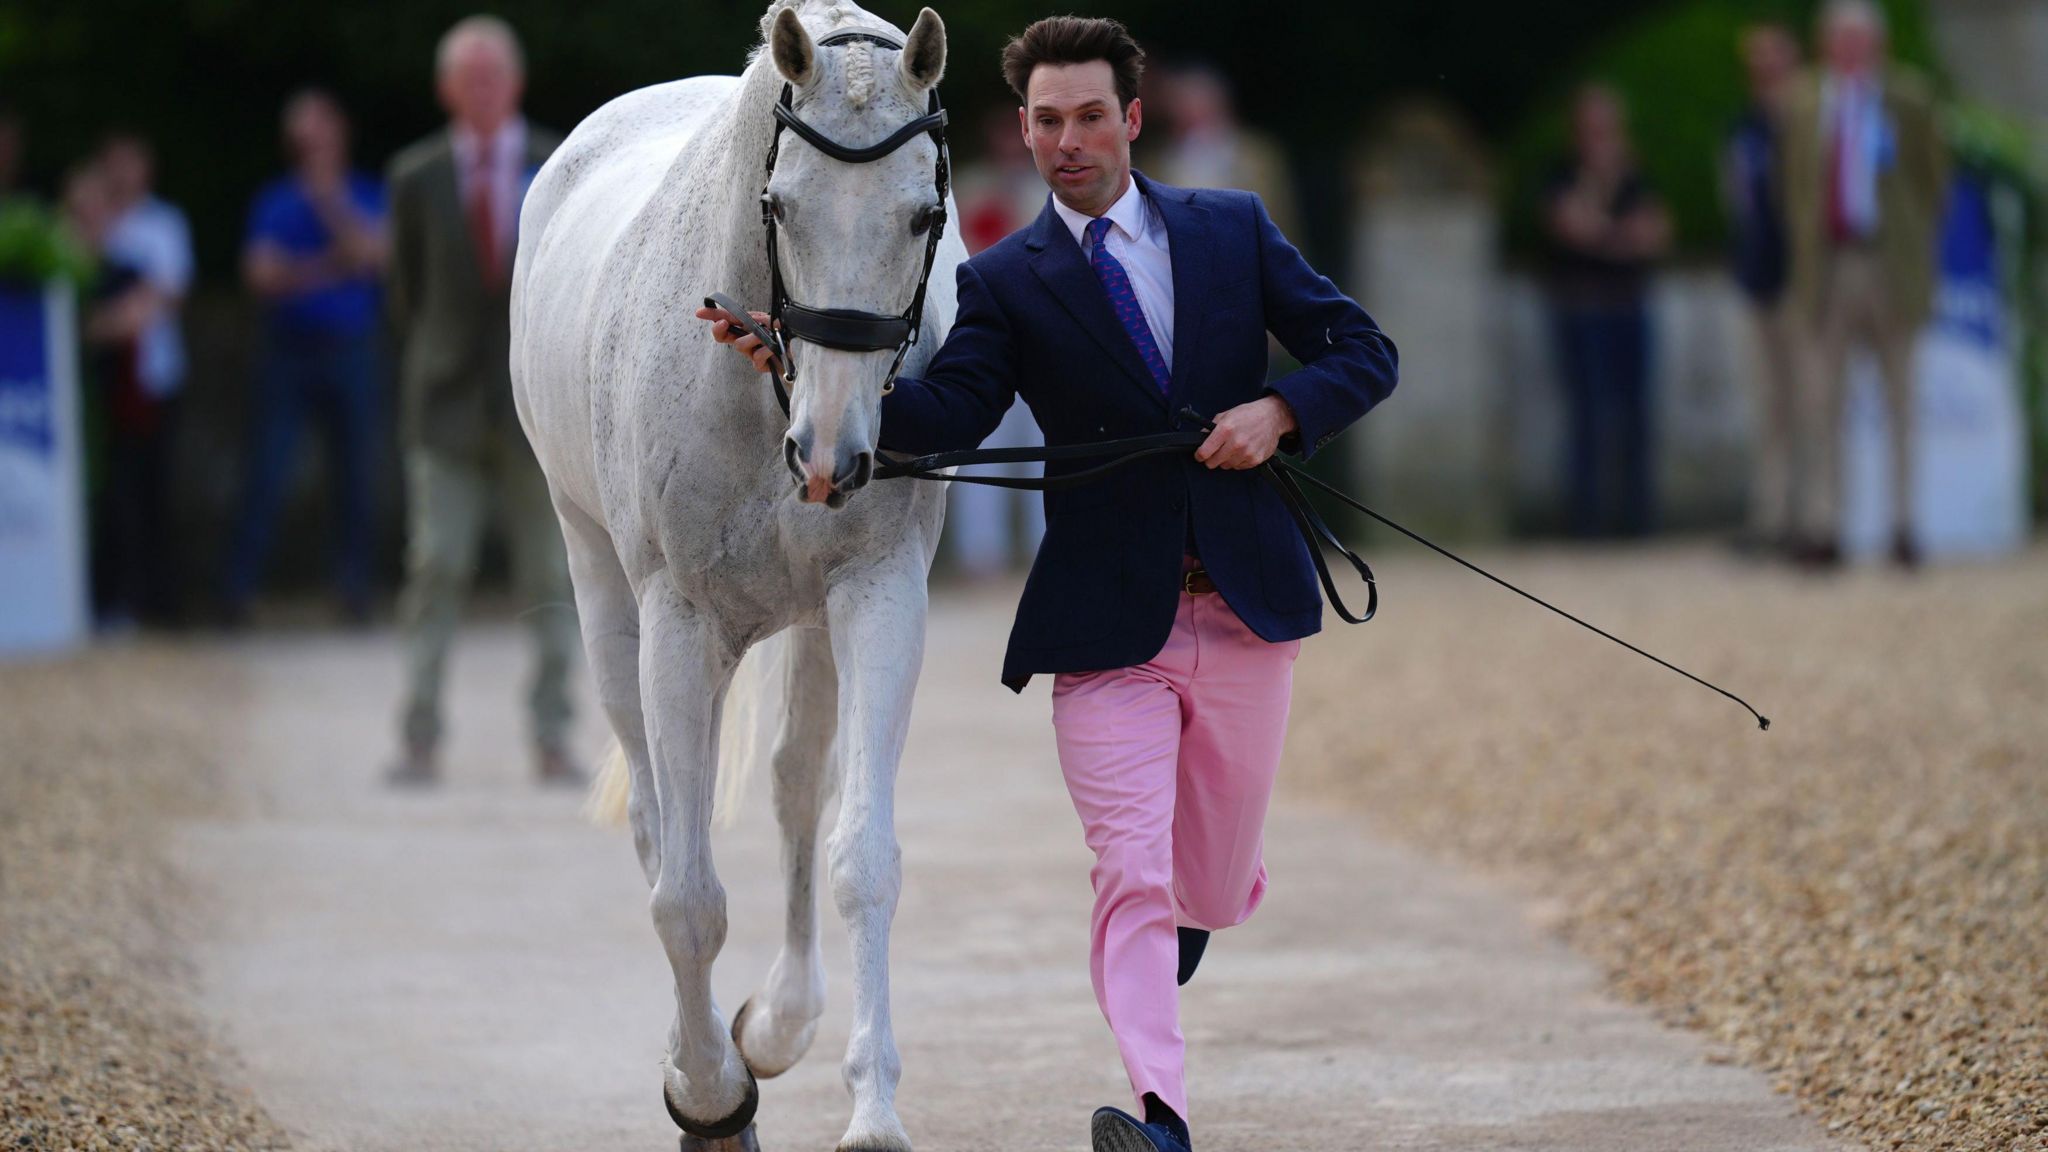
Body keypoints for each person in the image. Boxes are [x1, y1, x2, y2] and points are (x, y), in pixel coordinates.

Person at [701, 17, 1397, 1151]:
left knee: (1203, 891)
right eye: (1043, 121)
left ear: (1130, 118)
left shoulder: (1231, 229)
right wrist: (798, 367)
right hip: (1102, 624)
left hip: (1243, 609)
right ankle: (1160, 1118)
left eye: (1085, 117)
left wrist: (1278, 412)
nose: (1065, 142)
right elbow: (943, 414)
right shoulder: (1006, 280)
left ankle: (1204, 903)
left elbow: (1362, 349)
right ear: (1019, 130)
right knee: (1127, 871)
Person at [385, 16, 581, 786]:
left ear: (516, 83)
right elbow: (405, 293)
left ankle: (553, 735)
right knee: (435, 565)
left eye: (492, 77)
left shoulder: (559, 163)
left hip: (538, 405)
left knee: (551, 575)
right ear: (446, 89)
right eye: (469, 79)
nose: (483, 91)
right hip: (445, 406)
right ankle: (420, 735)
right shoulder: (416, 176)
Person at [1777, 0, 1947, 569]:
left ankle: (1904, 524)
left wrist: (1914, 243)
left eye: (1860, 40)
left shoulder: (1908, 97)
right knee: (1821, 402)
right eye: (1840, 40)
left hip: (1888, 263)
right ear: (1827, 46)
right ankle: (1826, 525)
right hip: (1829, 266)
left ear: (1878, 45)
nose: (1850, 51)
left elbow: (1933, 180)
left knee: (1902, 400)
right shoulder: (1804, 102)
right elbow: (1794, 186)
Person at [224, 89, 388, 625]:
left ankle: (353, 589)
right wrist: (332, 264)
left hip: (352, 352)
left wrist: (327, 205)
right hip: (287, 355)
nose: (310, 142)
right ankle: (237, 592)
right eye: (301, 133)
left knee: (357, 474)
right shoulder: (273, 201)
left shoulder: (366, 193)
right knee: (266, 474)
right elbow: (261, 278)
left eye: (318, 130)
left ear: (339, 132)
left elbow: (375, 256)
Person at [1541, 84, 1671, 539]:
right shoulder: (1563, 174)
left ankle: (1637, 519)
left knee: (1636, 413)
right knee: (1588, 415)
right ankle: (1587, 521)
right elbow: (1574, 226)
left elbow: (1655, 234)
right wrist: (1604, 197)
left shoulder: (1638, 176)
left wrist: (1605, 233)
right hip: (1582, 308)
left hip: (1628, 306)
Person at [95, 132, 194, 626]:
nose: (121, 173)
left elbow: (170, 291)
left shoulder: (164, 223)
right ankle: (116, 598)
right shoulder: (97, 220)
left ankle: (159, 601)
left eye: (130, 163)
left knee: (156, 491)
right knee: (117, 494)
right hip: (109, 381)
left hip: (154, 376)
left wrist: (123, 314)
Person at [1724, 23, 1802, 556]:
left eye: (1773, 59)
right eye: (1757, 61)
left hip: (1800, 283)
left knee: (1806, 407)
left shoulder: (1808, 123)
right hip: (1756, 282)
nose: (1765, 70)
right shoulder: (1743, 128)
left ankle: (1811, 519)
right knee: (1767, 410)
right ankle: (1771, 518)